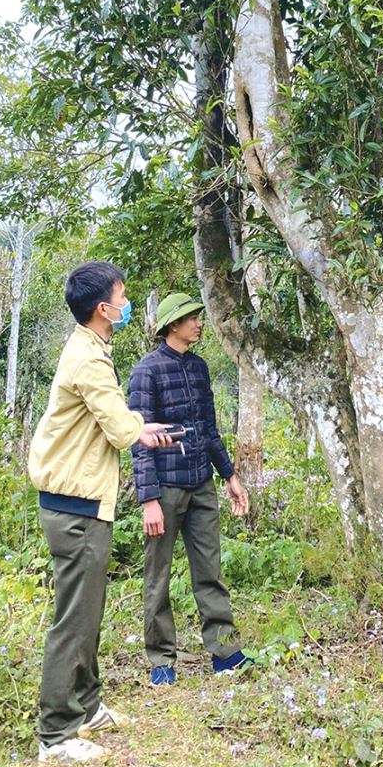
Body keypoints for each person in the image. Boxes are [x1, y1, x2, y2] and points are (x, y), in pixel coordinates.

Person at [28, 261, 175, 764]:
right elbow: (117, 427)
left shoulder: (94, 348)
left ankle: (86, 707)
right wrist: (139, 427)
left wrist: (139, 426)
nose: (127, 300)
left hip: (84, 500)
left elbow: (117, 421)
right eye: (122, 294)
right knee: (74, 618)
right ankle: (56, 735)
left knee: (88, 612)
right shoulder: (87, 358)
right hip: (75, 505)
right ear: (102, 308)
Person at [128, 291, 250, 685]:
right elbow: (138, 438)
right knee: (157, 577)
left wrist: (229, 476)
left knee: (209, 572)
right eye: (192, 318)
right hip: (164, 489)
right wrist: (148, 499)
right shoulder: (146, 371)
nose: (199, 323)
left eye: (198, 316)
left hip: (201, 484)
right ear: (172, 326)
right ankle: (162, 660)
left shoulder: (198, 368)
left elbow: (209, 430)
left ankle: (226, 652)